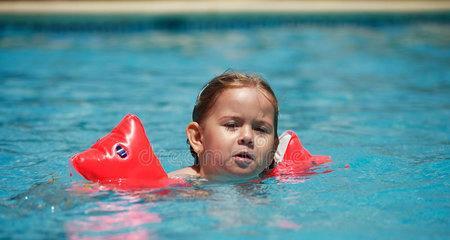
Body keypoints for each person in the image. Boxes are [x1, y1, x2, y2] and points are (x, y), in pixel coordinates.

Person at [168, 71, 279, 182]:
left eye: (260, 129)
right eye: (232, 125)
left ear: (273, 150)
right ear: (198, 138)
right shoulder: (176, 186)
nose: (247, 137)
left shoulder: (281, 181)